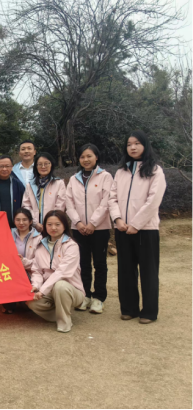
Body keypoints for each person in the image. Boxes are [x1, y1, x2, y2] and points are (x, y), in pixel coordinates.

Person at [108, 130, 166, 324]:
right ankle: (129, 308)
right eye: (129, 144)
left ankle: (149, 312)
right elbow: (112, 198)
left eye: (137, 143)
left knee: (148, 271)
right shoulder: (121, 171)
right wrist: (117, 219)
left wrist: (136, 224)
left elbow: (153, 201)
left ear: (145, 145)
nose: (132, 147)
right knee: (125, 270)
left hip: (146, 230)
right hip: (123, 229)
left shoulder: (155, 170)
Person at [66, 144, 113, 314]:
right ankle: (85, 295)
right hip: (78, 228)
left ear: (96, 157)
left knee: (99, 263)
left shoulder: (105, 176)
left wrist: (93, 223)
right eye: (82, 157)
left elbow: (106, 202)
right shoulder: (73, 179)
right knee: (82, 263)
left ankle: (99, 297)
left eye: (89, 156)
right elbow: (68, 202)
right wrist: (78, 222)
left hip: (100, 228)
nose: (86, 160)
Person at [27, 210, 85, 333]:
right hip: (49, 290)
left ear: (64, 226)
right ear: (45, 226)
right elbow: (37, 271)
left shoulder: (71, 246)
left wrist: (43, 290)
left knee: (60, 285)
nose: (53, 228)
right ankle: (59, 313)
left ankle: (64, 322)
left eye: (57, 224)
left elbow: (62, 272)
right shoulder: (40, 245)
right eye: (49, 224)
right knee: (30, 301)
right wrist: (36, 286)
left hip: (71, 289)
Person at [1, 208, 42, 314]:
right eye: (18, 220)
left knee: (27, 307)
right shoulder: (7, 234)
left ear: (31, 221)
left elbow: (39, 262)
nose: (21, 223)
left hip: (29, 272)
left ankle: (22, 300)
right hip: (11, 271)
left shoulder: (38, 238)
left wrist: (22, 261)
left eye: (24, 220)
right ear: (14, 221)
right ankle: (9, 304)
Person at [22, 152, 66, 232]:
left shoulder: (59, 183)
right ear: (36, 166)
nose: (43, 167)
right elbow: (26, 206)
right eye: (40, 164)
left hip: (53, 227)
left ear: (51, 165)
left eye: (46, 164)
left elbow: (60, 206)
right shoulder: (30, 185)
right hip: (34, 227)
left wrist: (49, 223)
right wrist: (35, 223)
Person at [0, 155, 25, 228]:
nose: (4, 169)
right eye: (1, 166)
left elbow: (24, 204)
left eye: (7, 166)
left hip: (15, 226)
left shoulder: (18, 184)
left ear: (12, 167)